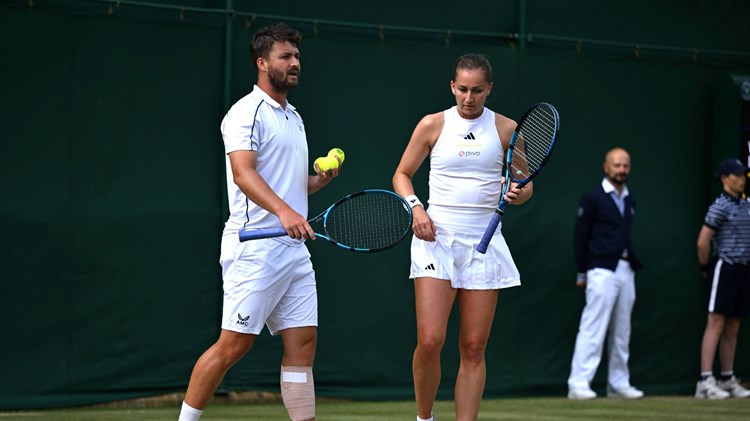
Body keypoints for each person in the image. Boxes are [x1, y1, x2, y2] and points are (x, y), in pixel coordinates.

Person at [178, 23, 341, 421]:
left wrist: (317, 182)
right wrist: (285, 212)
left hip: (294, 249)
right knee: (232, 346)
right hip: (256, 246)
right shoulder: (244, 113)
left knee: (303, 344)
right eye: (286, 57)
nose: (295, 63)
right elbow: (244, 174)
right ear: (262, 63)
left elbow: (287, 186)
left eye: (297, 56)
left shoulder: (294, 117)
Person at [392, 53, 533, 421]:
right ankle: (425, 417)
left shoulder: (506, 129)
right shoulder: (432, 124)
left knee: (473, 347)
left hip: (484, 243)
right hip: (435, 239)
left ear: (489, 89)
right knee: (430, 341)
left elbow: (525, 184)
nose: (469, 98)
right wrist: (416, 208)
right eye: (463, 89)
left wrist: (519, 192)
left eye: (477, 91)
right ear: (452, 86)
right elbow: (402, 175)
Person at [567, 147, 644, 400]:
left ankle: (619, 383)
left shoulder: (629, 200)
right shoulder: (593, 198)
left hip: (625, 268)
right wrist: (582, 272)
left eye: (625, 166)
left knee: (622, 330)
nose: (622, 170)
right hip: (600, 269)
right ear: (606, 167)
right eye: (617, 165)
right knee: (593, 326)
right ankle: (579, 383)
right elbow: (581, 237)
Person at [694, 158, 750, 400]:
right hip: (724, 267)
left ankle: (727, 378)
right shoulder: (720, 206)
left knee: (733, 325)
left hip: (743, 270)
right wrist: (706, 267)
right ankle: (705, 380)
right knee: (716, 321)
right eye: (736, 175)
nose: (741, 179)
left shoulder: (746, 205)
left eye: (742, 175)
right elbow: (702, 241)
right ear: (725, 178)